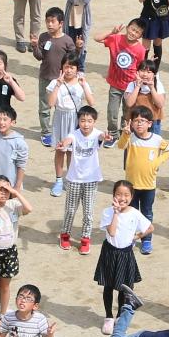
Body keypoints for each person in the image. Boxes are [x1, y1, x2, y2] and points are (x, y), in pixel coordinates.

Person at [113, 108, 169, 254]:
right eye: (136, 121)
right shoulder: (130, 138)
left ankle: (146, 240)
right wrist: (125, 134)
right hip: (131, 186)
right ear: (132, 123)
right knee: (131, 212)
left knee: (147, 213)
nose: (139, 124)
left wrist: (157, 162)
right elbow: (120, 146)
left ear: (149, 123)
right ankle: (131, 238)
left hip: (149, 185)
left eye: (142, 121)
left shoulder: (157, 139)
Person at [93, 181, 153, 332]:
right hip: (110, 252)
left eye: (126, 195)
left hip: (126, 254)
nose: (122, 198)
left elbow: (150, 227)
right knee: (108, 286)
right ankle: (108, 317)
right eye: (119, 194)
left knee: (123, 288)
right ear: (113, 195)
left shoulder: (134, 213)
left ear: (132, 197)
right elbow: (112, 232)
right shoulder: (108, 212)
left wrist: (136, 237)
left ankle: (119, 316)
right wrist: (115, 212)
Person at [58, 106, 111, 254]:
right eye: (82, 121)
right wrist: (63, 144)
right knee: (70, 209)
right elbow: (68, 140)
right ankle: (65, 235)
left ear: (94, 122)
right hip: (74, 179)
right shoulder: (74, 134)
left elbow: (102, 137)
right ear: (78, 121)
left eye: (89, 121)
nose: (86, 124)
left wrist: (105, 138)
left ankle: (85, 239)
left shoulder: (97, 134)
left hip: (91, 179)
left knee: (88, 212)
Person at [0, 176, 33, 321]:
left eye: (6, 189)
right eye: (0, 189)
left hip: (10, 252)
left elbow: (29, 208)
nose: (4, 193)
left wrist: (16, 192)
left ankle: (3, 316)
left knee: (5, 287)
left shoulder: (14, 205)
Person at [45, 58, 93, 192]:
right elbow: (50, 103)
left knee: (72, 152)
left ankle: (70, 179)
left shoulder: (82, 83)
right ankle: (59, 181)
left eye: (72, 67)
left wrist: (84, 86)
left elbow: (91, 102)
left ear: (77, 69)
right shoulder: (55, 82)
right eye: (66, 66)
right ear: (61, 68)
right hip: (60, 116)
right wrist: (57, 85)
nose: (69, 70)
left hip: (75, 118)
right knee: (60, 150)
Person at [30, 7, 78, 131]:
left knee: (61, 106)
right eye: (47, 21)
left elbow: (73, 59)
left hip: (62, 80)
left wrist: (78, 48)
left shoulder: (67, 40)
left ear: (61, 23)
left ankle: (60, 129)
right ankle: (46, 131)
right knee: (44, 106)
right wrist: (35, 47)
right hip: (45, 77)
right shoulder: (43, 37)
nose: (49, 24)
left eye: (52, 21)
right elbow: (39, 56)